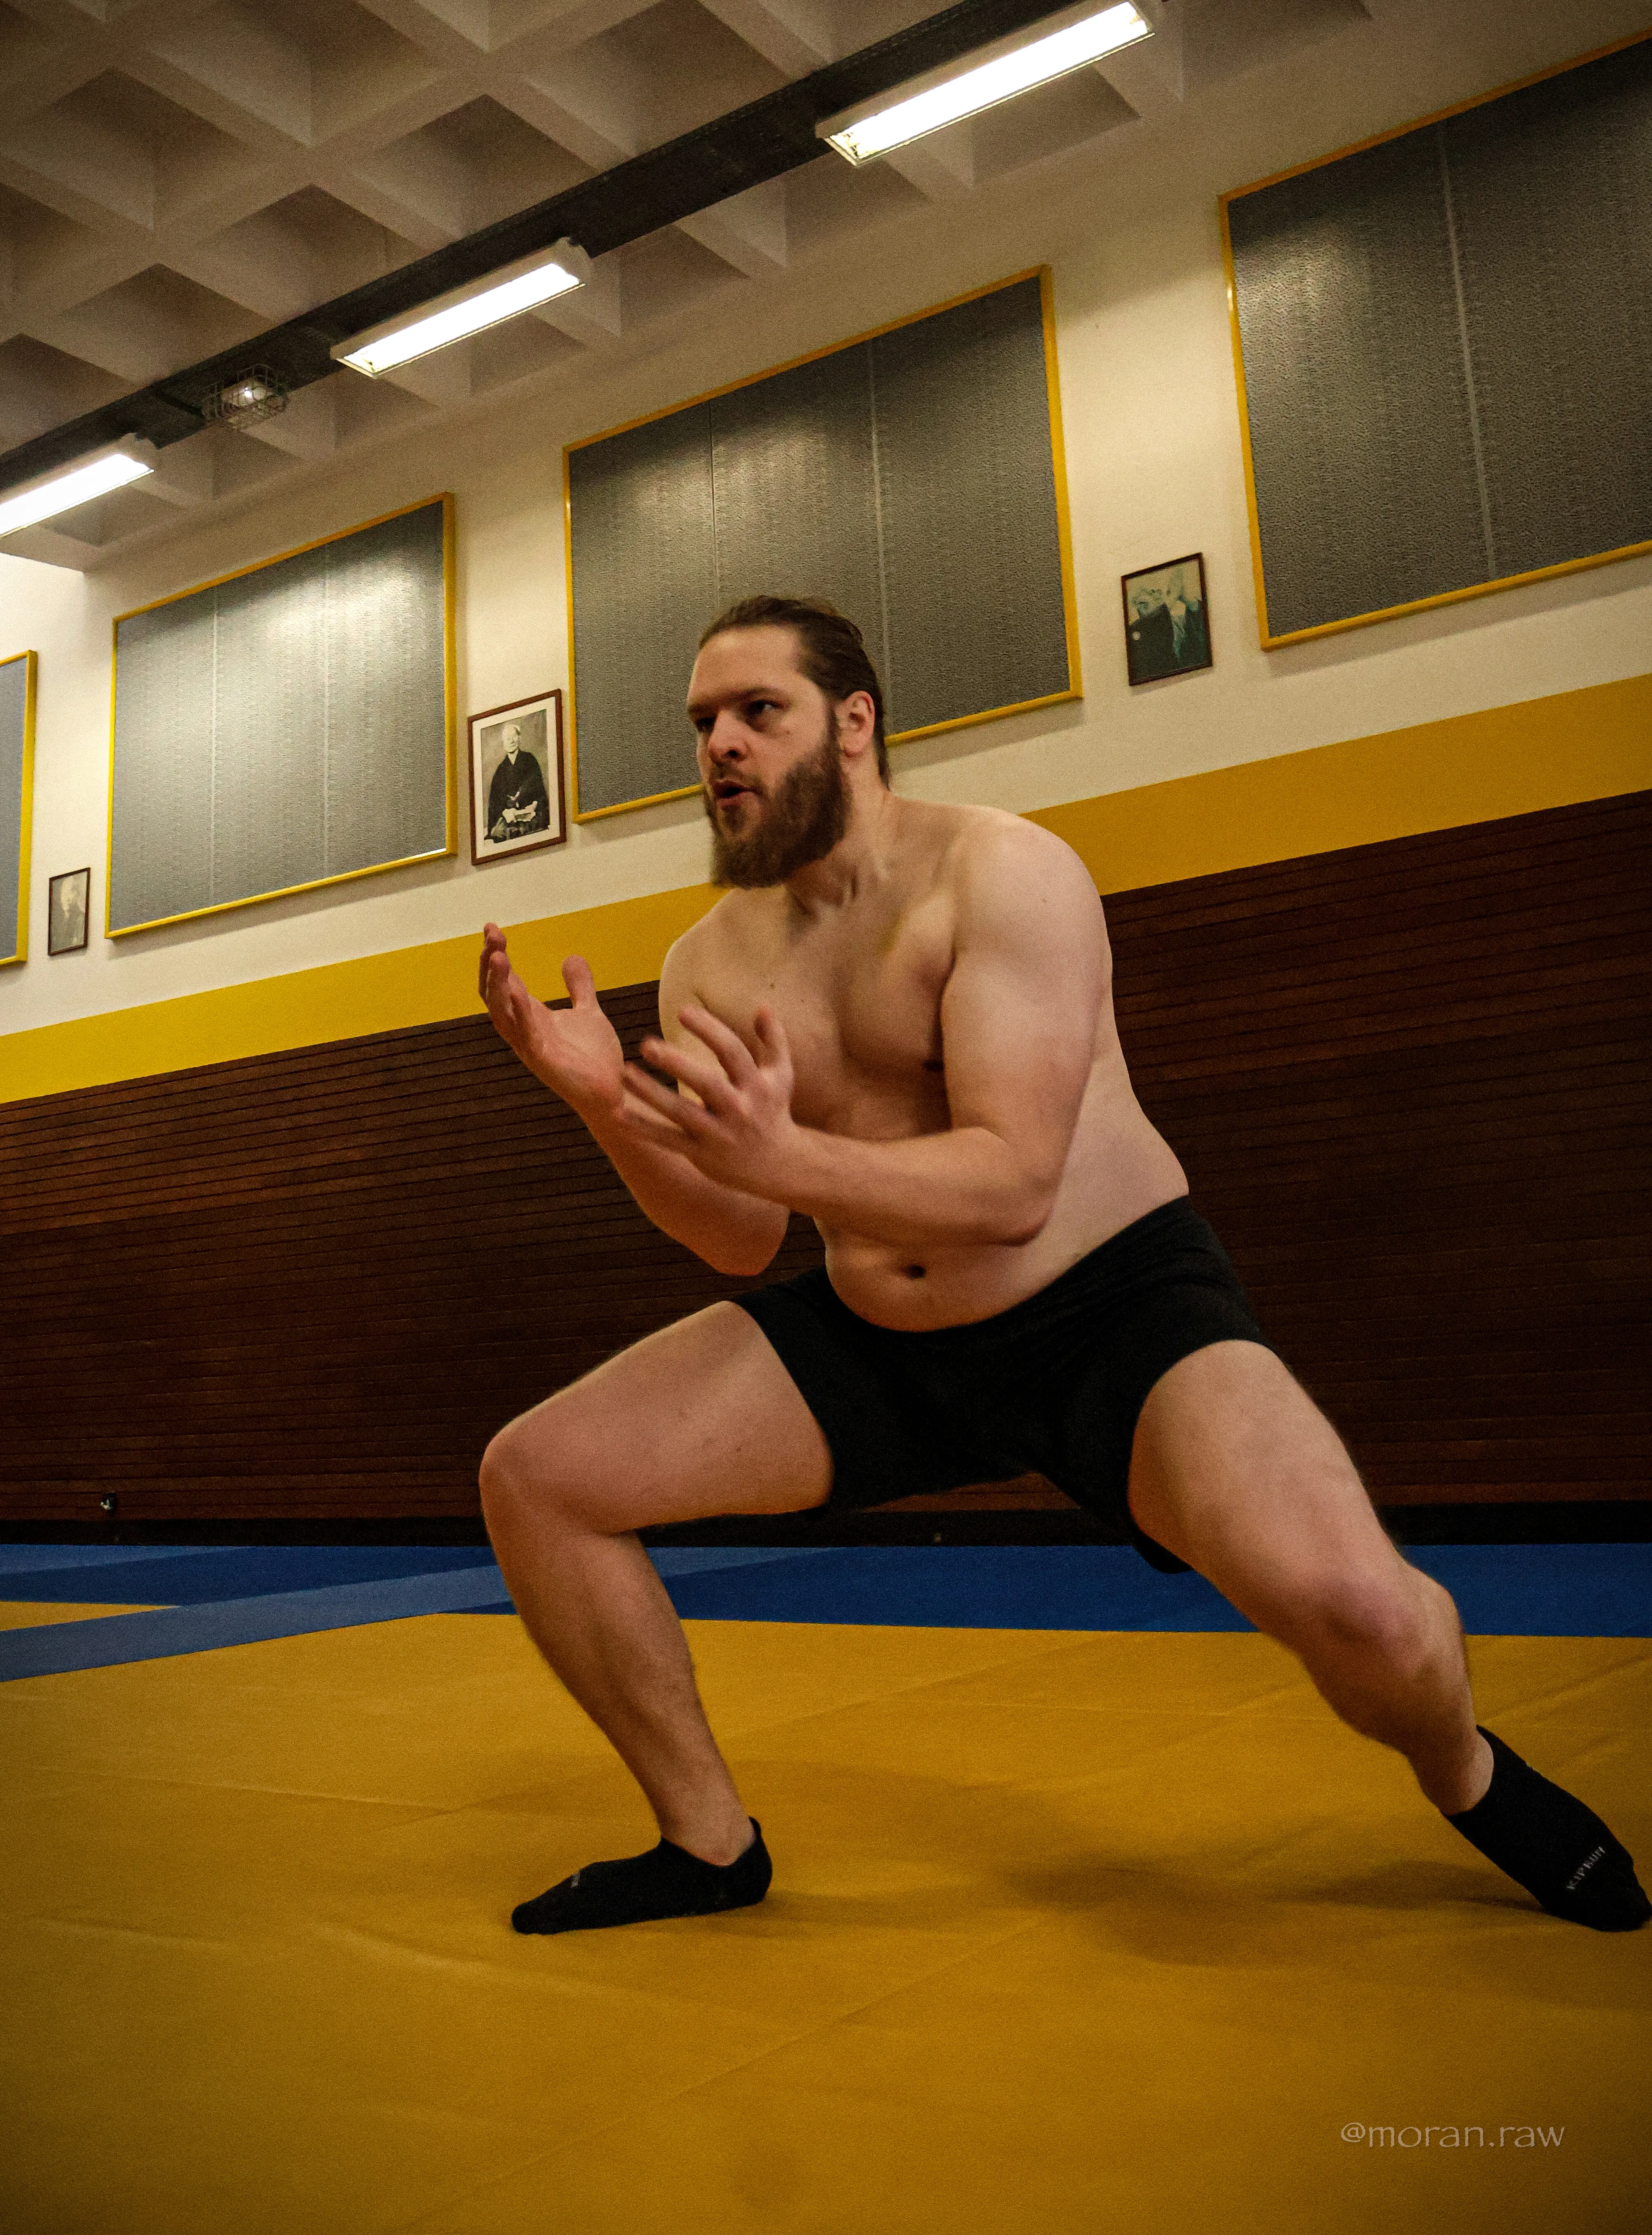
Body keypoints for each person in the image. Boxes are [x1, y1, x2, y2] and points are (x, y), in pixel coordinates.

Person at [477, 594, 1648, 1940]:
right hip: (884, 1341)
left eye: (760, 711)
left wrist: (773, 1161)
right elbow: (738, 1238)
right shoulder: (704, 963)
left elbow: (1015, 1181)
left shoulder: (1005, 872)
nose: (721, 745)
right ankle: (709, 1844)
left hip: (1113, 1314)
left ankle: (1470, 1775)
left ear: (856, 724)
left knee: (1366, 1617)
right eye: (703, 723)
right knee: (539, 1477)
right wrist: (604, 1101)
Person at [486, 721, 549, 841]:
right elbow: (495, 801)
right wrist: (506, 812)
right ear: (504, 743)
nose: (511, 741)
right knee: (500, 833)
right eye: (508, 739)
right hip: (509, 817)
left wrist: (533, 807)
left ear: (519, 738)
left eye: (514, 737)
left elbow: (539, 790)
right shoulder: (501, 770)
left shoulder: (530, 760)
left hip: (531, 813)